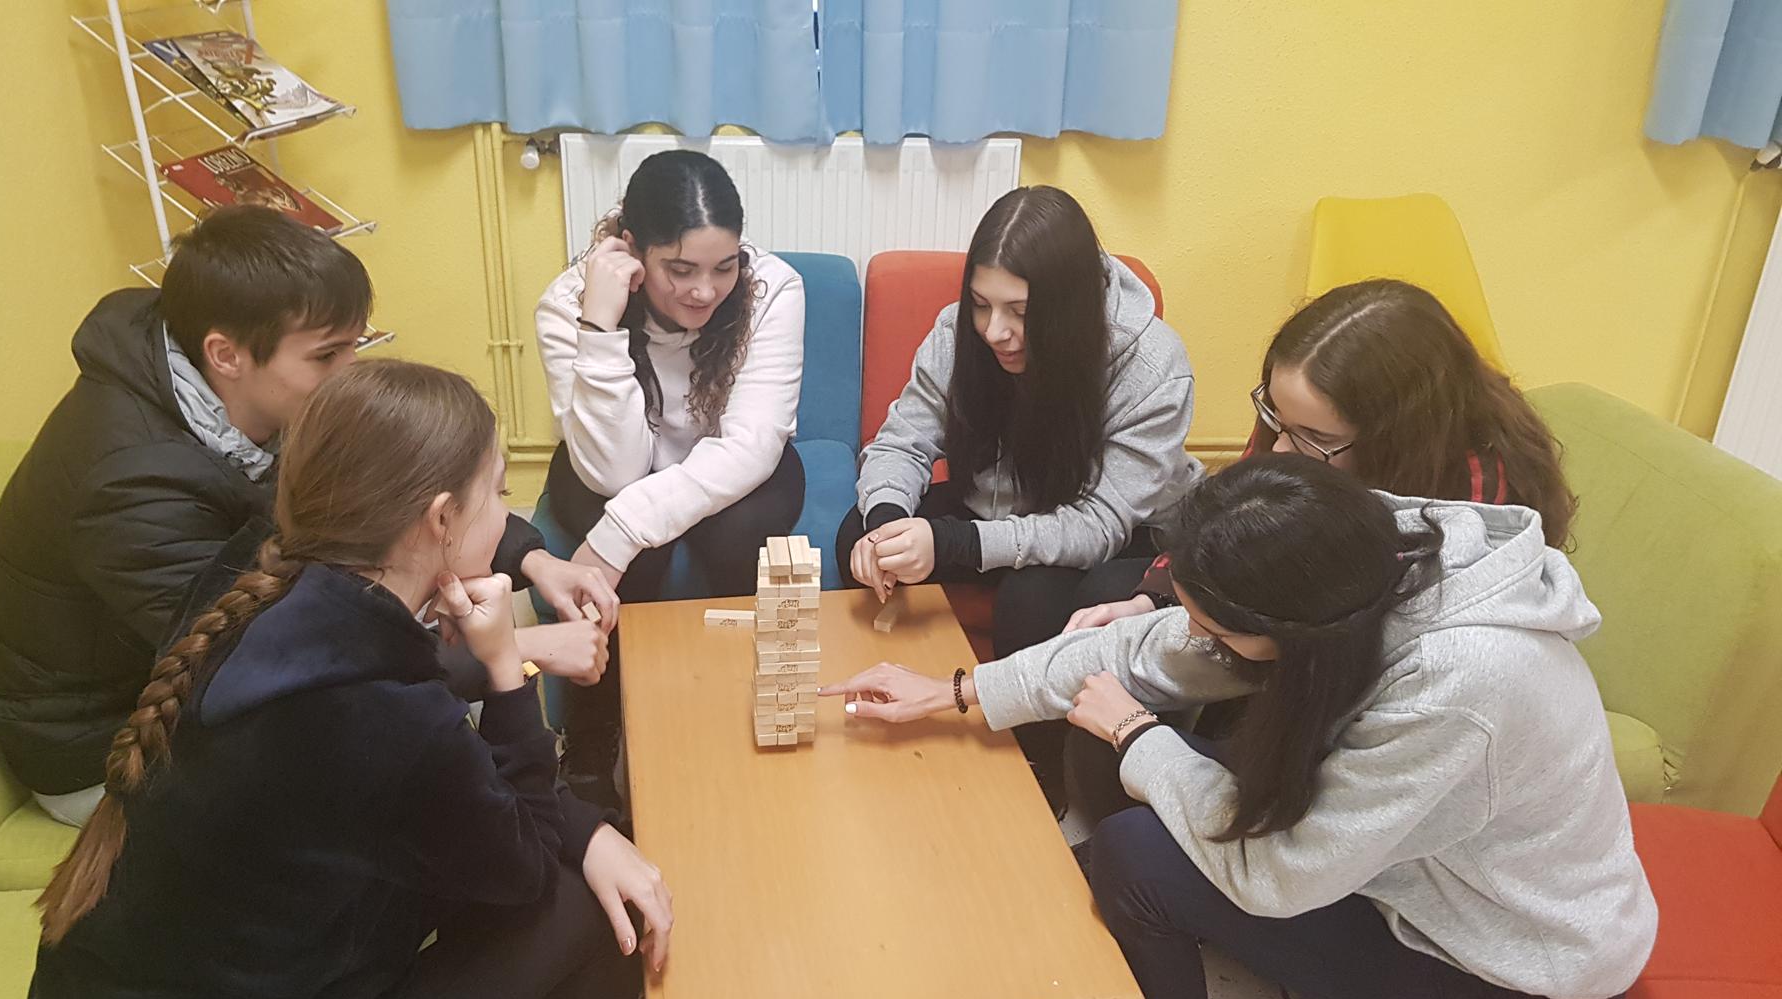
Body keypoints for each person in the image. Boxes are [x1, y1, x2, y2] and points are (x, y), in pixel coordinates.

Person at [823, 454, 1655, 999]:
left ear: (1292, 631)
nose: (1196, 640)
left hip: (1518, 993)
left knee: (1135, 854)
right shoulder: (1351, 556)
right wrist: (958, 690)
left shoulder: (1463, 687)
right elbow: (1146, 648)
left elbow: (1280, 876)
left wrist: (1140, 737)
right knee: (1117, 830)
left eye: (1217, 632)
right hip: (1410, 873)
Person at [27, 360, 669, 999]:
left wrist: (583, 826)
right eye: (498, 492)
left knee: (515, 865)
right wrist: (507, 670)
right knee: (586, 906)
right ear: (440, 520)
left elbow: (451, 791)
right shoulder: (383, 713)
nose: (506, 512)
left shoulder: (254, 580)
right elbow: (522, 866)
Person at [0, 206, 613, 827]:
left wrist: (536, 561)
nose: (348, 373)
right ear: (226, 355)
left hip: (236, 676)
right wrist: (515, 651)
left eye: (355, 346)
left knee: (454, 734)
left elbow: (407, 484)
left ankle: (555, 824)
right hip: (104, 745)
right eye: (326, 355)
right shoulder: (133, 486)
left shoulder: (238, 376)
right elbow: (279, 666)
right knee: (429, 765)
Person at [1058, 278, 1579, 817]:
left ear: (1396, 435)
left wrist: (1138, 729)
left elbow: (1364, 645)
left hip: (1349, 665)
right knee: (1116, 598)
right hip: (1287, 619)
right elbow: (1230, 516)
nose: (1282, 448)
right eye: (1275, 420)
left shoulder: (1470, 509)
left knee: (1169, 740)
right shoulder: (1299, 428)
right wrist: (1156, 597)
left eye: (1315, 438)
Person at [836, 185, 1202, 808]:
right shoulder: (958, 333)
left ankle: (1040, 776)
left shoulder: (1151, 365)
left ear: (1071, 305)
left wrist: (954, 543)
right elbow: (901, 441)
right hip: (997, 509)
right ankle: (886, 699)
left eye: (1021, 312)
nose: (995, 331)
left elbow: (1098, 523)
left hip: (1124, 535)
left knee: (1033, 600)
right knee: (859, 533)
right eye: (981, 304)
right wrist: (888, 521)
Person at [536, 149, 807, 803]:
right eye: (679, 270)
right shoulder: (568, 302)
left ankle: (731, 704)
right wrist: (600, 327)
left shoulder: (773, 289)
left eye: (724, 266)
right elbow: (614, 470)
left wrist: (624, 530)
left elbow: (750, 445)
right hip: (609, 462)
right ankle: (593, 738)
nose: (705, 291)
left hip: (730, 466)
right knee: (639, 549)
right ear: (632, 249)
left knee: (733, 532)